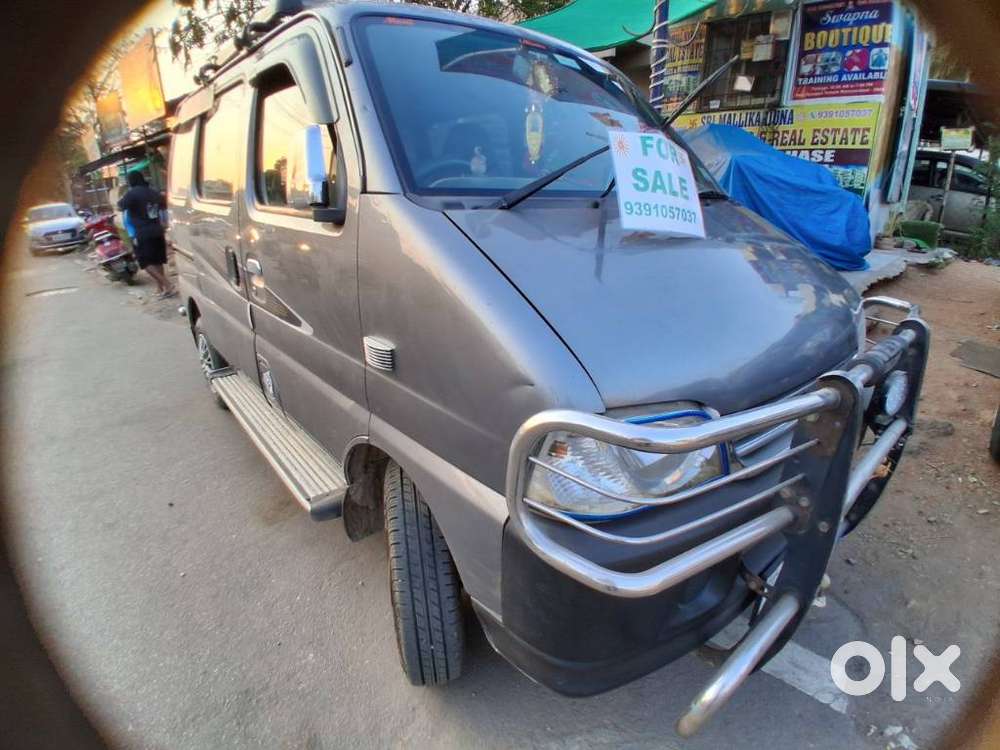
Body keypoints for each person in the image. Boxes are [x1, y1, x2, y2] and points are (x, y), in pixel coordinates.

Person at [116, 171, 175, 298]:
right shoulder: (153, 192)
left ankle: (167, 284)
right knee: (157, 261)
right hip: (157, 231)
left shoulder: (132, 194)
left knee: (145, 262)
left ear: (131, 181)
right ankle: (161, 288)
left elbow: (120, 206)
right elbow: (164, 206)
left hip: (143, 233)